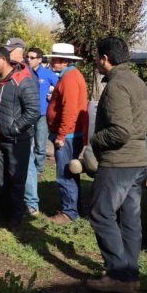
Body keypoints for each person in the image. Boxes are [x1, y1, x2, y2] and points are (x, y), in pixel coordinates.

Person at [86, 37, 147, 293]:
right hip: (138, 161)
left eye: (97, 56)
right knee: (129, 218)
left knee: (101, 213)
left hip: (119, 163)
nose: (96, 61)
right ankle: (130, 276)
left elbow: (120, 131)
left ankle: (119, 274)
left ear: (105, 59)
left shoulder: (115, 86)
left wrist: (95, 140)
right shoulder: (138, 82)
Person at [0, 47, 39, 230]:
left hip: (18, 140)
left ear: (3, 60)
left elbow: (33, 111)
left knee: (16, 180)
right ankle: (3, 210)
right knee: (0, 178)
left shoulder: (22, 80)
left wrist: (14, 128)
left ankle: (16, 216)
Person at [43, 43, 88, 224]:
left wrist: (61, 135)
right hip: (71, 134)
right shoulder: (70, 76)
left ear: (64, 61)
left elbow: (70, 110)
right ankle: (74, 207)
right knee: (72, 172)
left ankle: (69, 212)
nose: (51, 62)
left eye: (54, 59)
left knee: (65, 174)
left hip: (67, 136)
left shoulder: (69, 78)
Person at [24, 47, 59, 215]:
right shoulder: (25, 72)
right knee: (27, 145)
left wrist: (53, 96)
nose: (29, 60)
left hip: (42, 114)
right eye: (27, 57)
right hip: (27, 114)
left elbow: (60, 88)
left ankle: (38, 171)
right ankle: (30, 170)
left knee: (40, 144)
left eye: (32, 57)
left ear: (39, 59)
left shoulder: (47, 74)